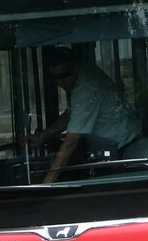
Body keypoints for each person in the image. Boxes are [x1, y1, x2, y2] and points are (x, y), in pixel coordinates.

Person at [34, 46, 140, 183]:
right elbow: (71, 115)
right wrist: (41, 137)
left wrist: (48, 182)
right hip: (111, 146)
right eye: (55, 78)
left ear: (75, 68)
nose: (60, 82)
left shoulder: (86, 89)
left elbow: (72, 141)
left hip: (123, 148)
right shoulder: (82, 76)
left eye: (64, 76)